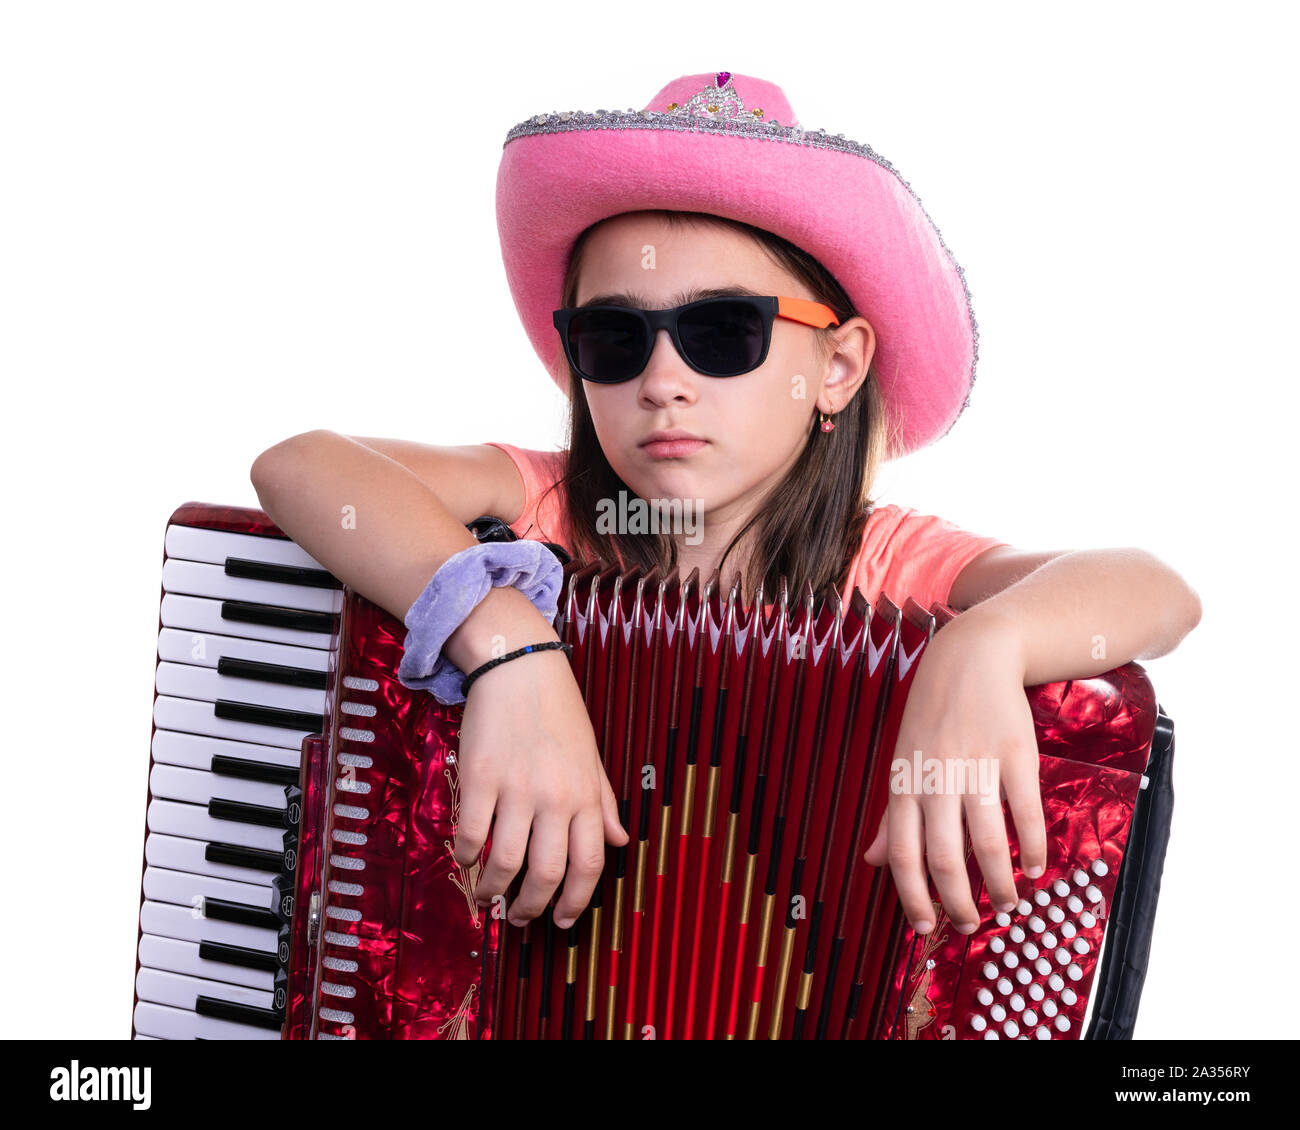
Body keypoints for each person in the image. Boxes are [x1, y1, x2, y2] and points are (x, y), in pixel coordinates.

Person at [250, 71, 1201, 947]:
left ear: (837, 368)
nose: (663, 379)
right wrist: (509, 648)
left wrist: (981, 646)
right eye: (614, 336)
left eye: (721, 332)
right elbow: (303, 468)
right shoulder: (544, 505)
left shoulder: (893, 568)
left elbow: (1157, 593)